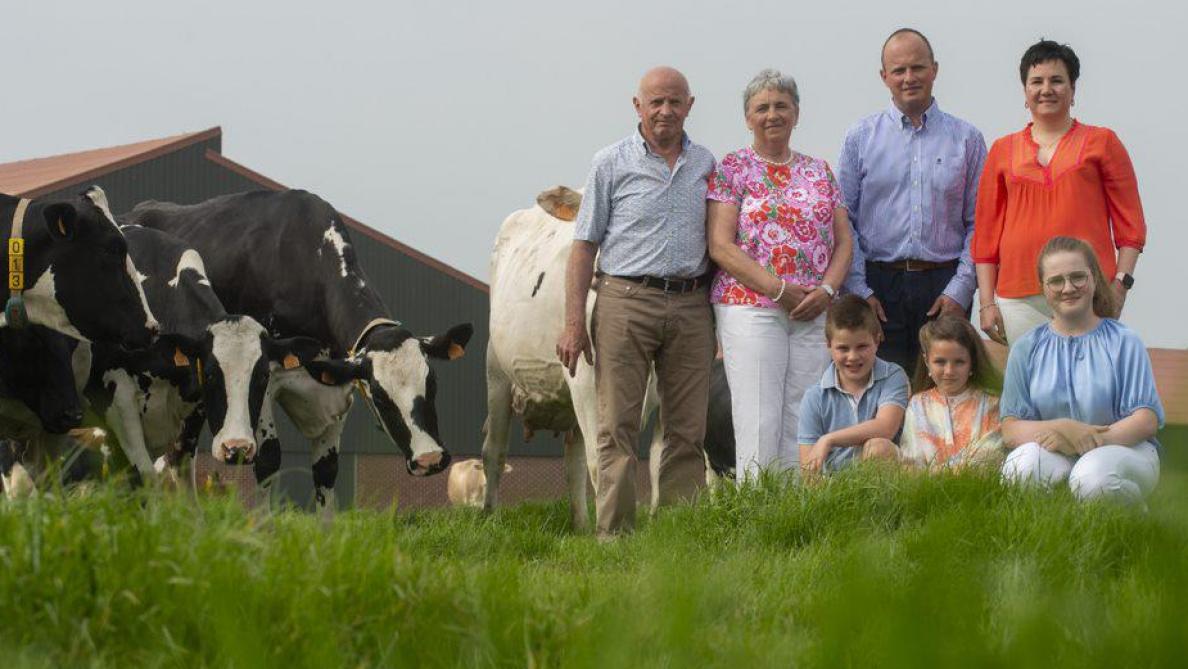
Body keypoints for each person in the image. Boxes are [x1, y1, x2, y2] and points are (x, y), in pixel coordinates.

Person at [556, 66, 716, 537]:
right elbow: (583, 245)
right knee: (617, 427)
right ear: (637, 106)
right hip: (625, 300)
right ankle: (615, 536)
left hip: (690, 303)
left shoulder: (708, 164)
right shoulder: (610, 162)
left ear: (690, 105)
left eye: (675, 101)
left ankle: (678, 536)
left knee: (687, 429)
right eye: (656, 102)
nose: (665, 110)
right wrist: (572, 323)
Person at [706, 69, 853, 478]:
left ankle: (794, 508)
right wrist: (779, 289)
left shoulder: (819, 171)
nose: (772, 114)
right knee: (758, 411)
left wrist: (826, 289)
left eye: (781, 106)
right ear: (748, 117)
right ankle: (757, 508)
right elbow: (720, 245)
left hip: (813, 309)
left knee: (803, 409)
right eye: (762, 107)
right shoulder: (732, 168)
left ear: (797, 113)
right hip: (751, 306)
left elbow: (844, 242)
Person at [973, 39, 1147, 346]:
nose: (1046, 89)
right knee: (1032, 389)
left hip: (1087, 290)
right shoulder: (1002, 149)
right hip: (1018, 298)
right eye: (1036, 81)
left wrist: (1120, 285)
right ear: (1025, 93)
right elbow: (986, 237)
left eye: (1057, 80)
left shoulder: (1103, 142)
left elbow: (1131, 227)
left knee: (1089, 388)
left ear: (1073, 89)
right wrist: (987, 303)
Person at [837, 28, 987, 376]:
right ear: (884, 76)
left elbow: (980, 223)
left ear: (934, 69)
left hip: (944, 283)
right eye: (899, 70)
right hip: (878, 285)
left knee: (945, 390)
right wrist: (860, 290)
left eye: (917, 68)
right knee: (881, 392)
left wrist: (961, 290)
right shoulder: (859, 138)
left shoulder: (967, 139)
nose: (909, 78)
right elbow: (844, 221)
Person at [999, 237, 1164, 504]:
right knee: (1019, 471)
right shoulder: (1025, 348)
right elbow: (1011, 429)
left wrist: (1082, 441)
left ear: (1094, 279)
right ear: (1043, 287)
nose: (1068, 288)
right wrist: (1064, 428)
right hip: (1055, 450)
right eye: (1056, 280)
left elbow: (1146, 420)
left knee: (1091, 480)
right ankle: (1046, 535)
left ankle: (1134, 521)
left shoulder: (1124, 341)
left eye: (1078, 277)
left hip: (1126, 448)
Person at [797, 295, 908, 476]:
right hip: (834, 488)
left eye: (862, 346)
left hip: (882, 483)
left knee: (879, 447)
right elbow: (808, 468)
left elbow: (885, 427)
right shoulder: (814, 396)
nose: (853, 357)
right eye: (843, 348)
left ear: (877, 341)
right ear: (828, 345)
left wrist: (828, 439)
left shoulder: (892, 376)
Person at [899, 315, 1005, 470]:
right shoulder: (918, 404)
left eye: (959, 362)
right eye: (940, 362)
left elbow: (990, 455)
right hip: (926, 489)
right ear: (927, 361)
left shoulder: (992, 403)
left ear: (972, 363)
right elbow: (912, 458)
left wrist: (942, 474)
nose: (949, 371)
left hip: (975, 486)